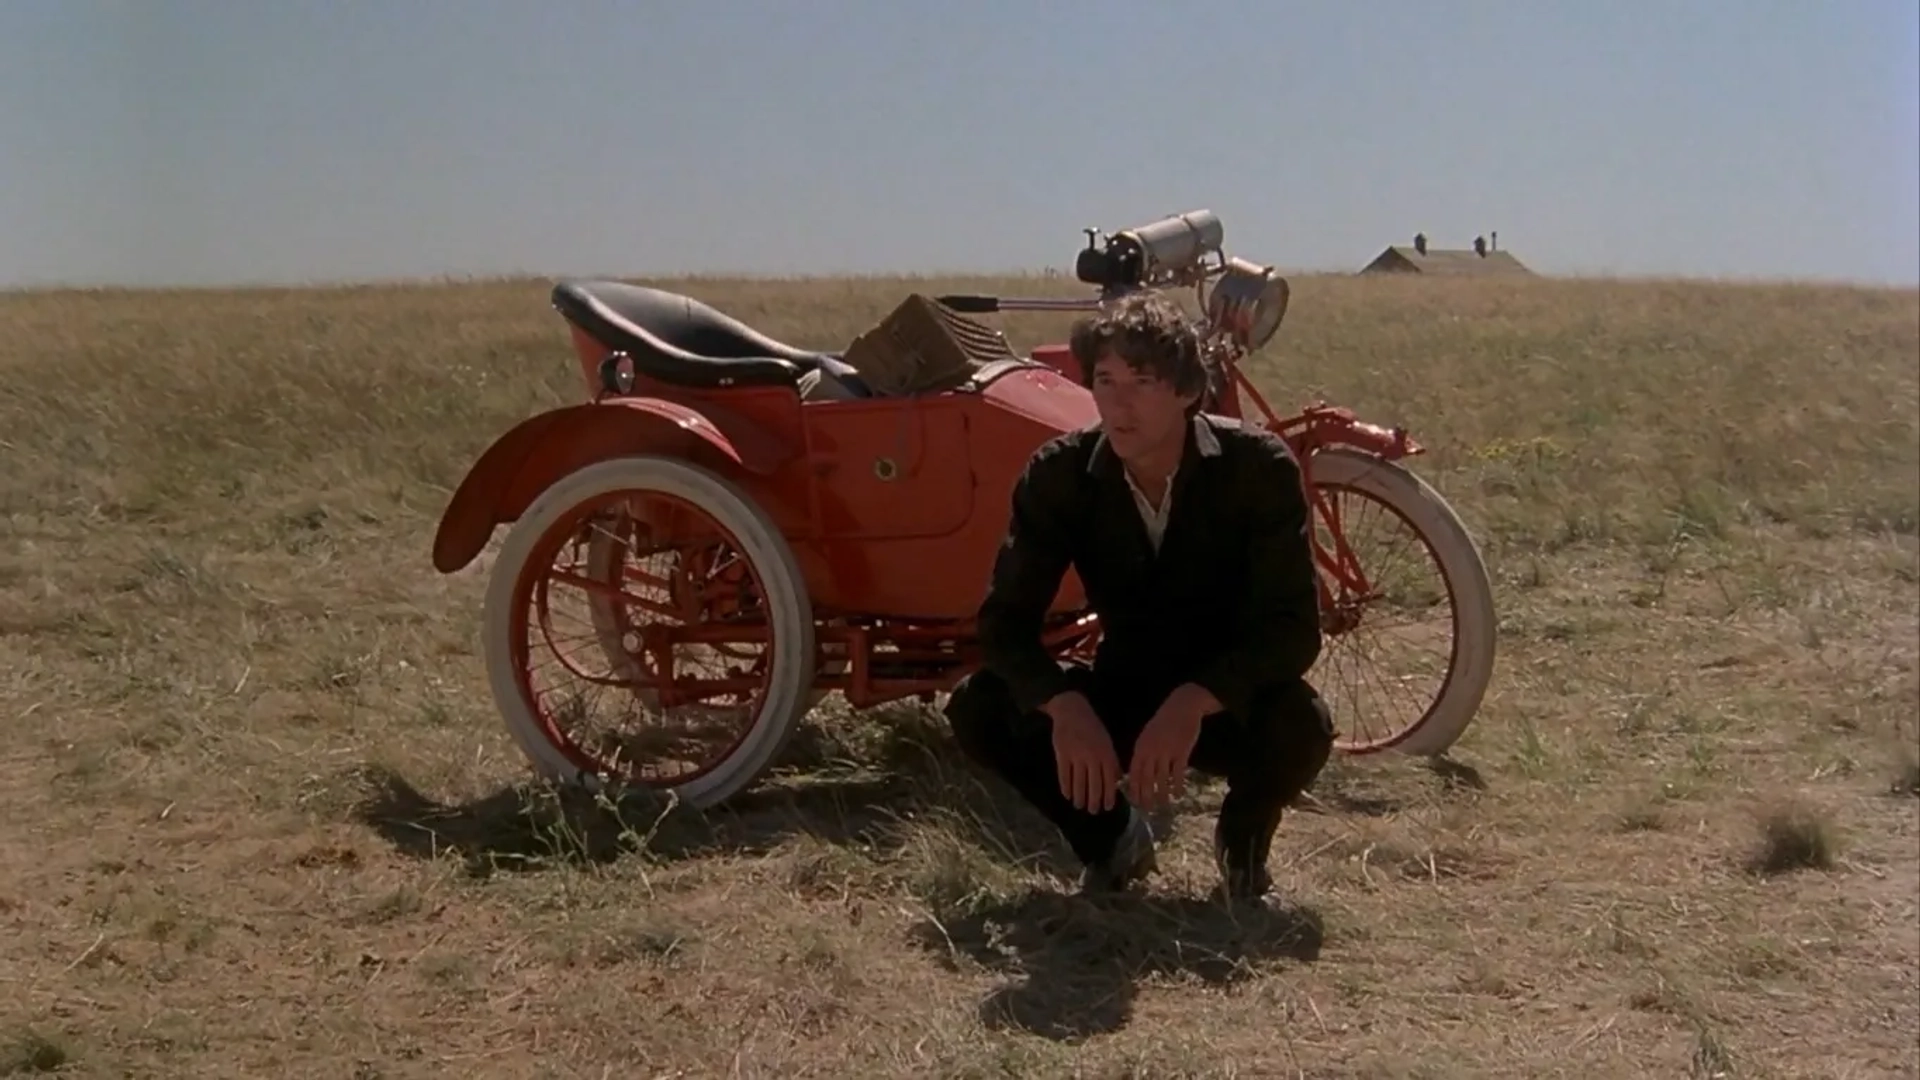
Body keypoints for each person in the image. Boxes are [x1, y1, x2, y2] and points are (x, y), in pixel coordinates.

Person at [943, 289, 1334, 902]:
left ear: (1185, 390)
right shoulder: (1061, 474)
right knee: (980, 707)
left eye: (1142, 382)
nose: (1118, 405)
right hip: (1122, 692)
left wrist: (1195, 700)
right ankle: (1112, 842)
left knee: (1304, 725)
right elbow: (1003, 625)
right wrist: (1064, 707)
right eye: (1104, 381)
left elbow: (1292, 628)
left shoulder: (1256, 468)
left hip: (1222, 702)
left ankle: (1243, 840)